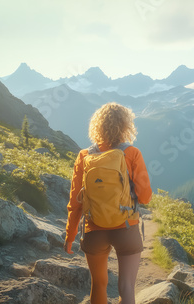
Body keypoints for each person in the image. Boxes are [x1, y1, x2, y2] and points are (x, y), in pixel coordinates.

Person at [64, 102, 152, 304]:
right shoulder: (132, 153)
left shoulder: (84, 156)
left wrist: (70, 235)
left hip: (94, 229)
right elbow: (145, 196)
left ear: (97, 126)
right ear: (125, 126)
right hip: (126, 228)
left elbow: (75, 202)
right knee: (126, 287)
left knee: (99, 284)